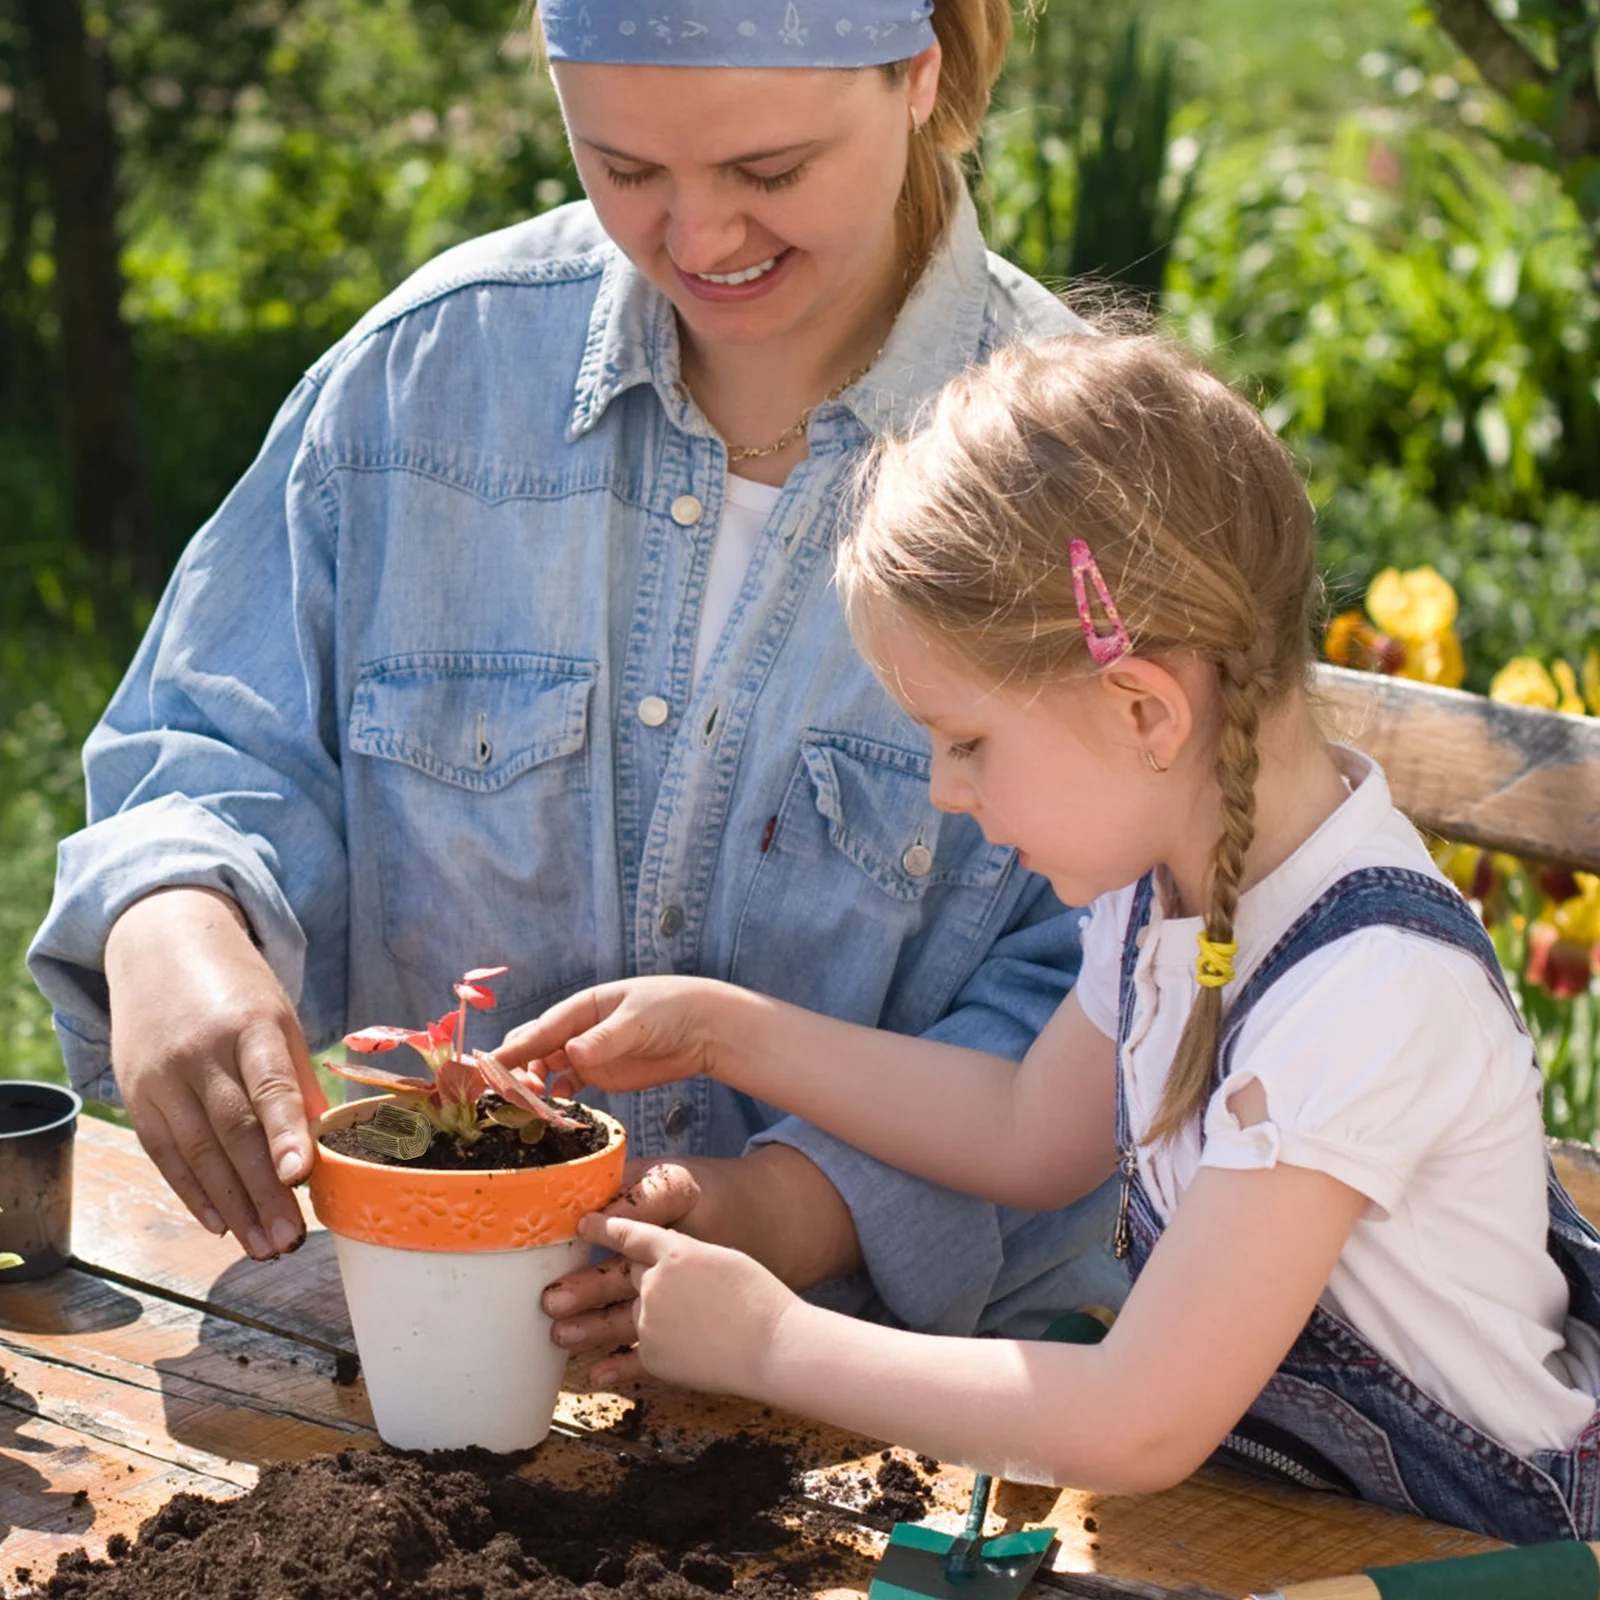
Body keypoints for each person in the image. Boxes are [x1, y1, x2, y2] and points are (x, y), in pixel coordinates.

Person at [27, 0, 1125, 1341]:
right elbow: (213, 743)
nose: (702, 239)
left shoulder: (1095, 478)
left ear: (919, 72)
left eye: (769, 173)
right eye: (624, 171)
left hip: (919, 1386)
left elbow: (1125, 982)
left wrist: (784, 1209)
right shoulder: (425, 385)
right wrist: (171, 927)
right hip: (429, 1340)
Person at [497, 332, 1600, 1543]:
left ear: (1145, 710)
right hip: (1294, 1520)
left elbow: (1137, 1419)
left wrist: (768, 1340)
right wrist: (725, 1032)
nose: (943, 789)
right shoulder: (1170, 887)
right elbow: (1027, 1132)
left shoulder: (1365, 991)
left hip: (1489, 1553)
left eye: (965, 740)